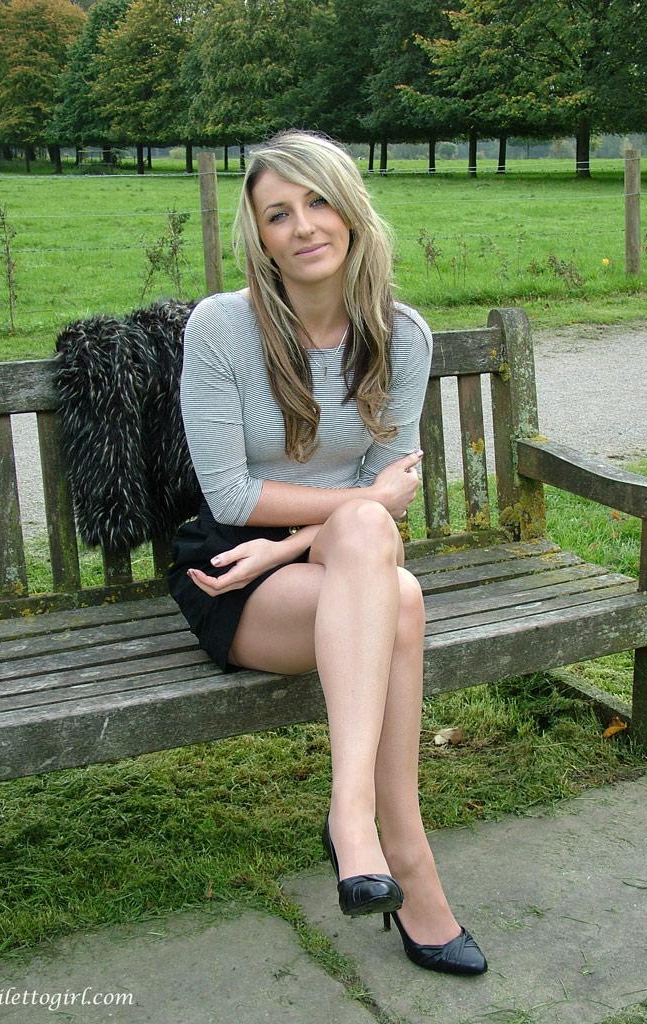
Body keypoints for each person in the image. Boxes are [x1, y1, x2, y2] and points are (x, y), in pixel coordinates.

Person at [168, 130, 487, 975]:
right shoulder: (220, 329)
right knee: (401, 592)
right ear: (259, 235)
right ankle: (398, 847)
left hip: (330, 561)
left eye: (316, 201)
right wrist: (292, 544)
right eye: (279, 213)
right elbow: (234, 498)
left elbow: (383, 503)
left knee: (374, 544)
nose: (303, 225)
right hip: (232, 570)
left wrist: (301, 544)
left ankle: (359, 825)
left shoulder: (400, 336)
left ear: (349, 208)